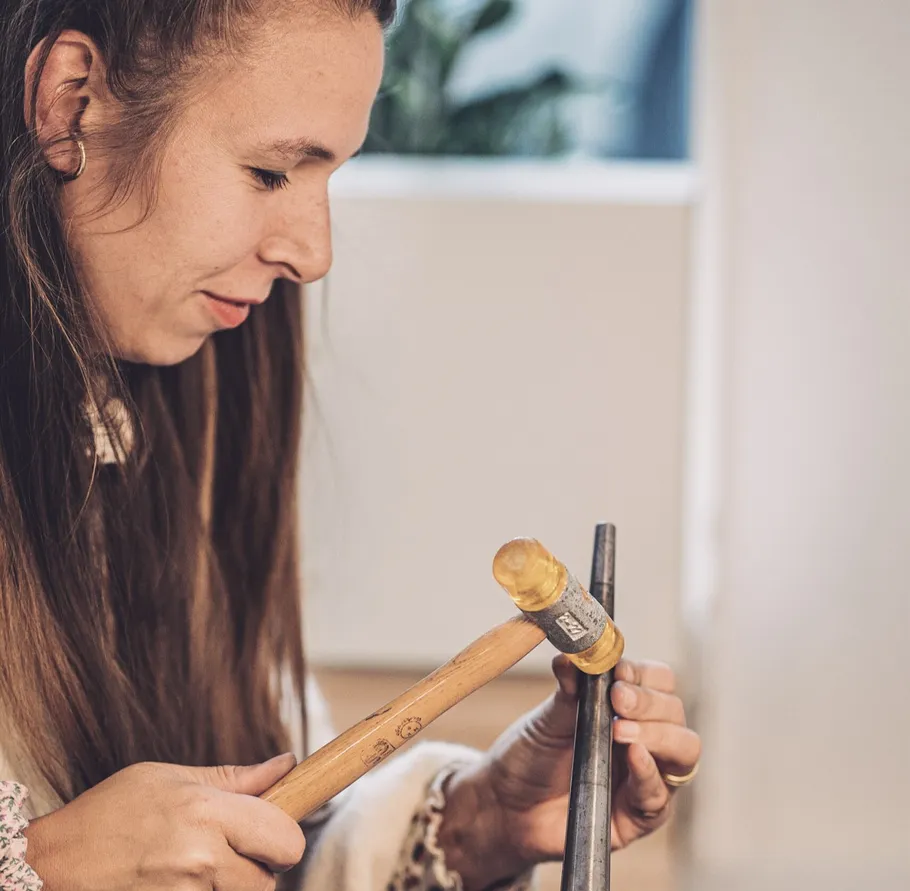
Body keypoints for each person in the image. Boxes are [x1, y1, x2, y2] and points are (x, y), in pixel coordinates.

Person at [0, 2, 701, 890]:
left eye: (329, 178)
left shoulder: (168, 418)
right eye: (268, 172)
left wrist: (483, 820)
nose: (314, 252)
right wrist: (33, 866)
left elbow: (255, 845)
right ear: (70, 101)